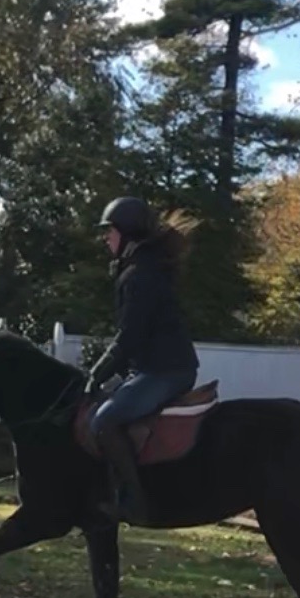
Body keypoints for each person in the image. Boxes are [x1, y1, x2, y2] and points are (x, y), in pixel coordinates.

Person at [88, 196, 200, 524]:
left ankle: (135, 502)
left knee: (103, 422)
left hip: (165, 371)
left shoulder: (139, 275)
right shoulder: (142, 268)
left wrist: (97, 372)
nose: (105, 238)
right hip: (157, 367)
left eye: (109, 231)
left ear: (127, 233)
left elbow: (129, 337)